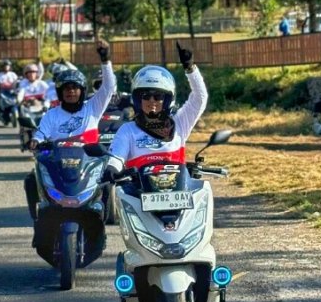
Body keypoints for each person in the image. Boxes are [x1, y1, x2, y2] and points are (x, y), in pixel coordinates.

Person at [24, 40, 115, 217]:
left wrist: (105, 60)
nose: (71, 91)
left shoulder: (93, 107)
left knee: (108, 178)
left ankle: (102, 215)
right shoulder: (52, 114)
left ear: (82, 90)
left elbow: (109, 87)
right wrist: (36, 141)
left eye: (75, 88)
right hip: (59, 161)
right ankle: (40, 219)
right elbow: (42, 133)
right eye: (66, 88)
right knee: (31, 179)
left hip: (89, 160)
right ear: (59, 92)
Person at [104, 42, 207, 179]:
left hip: (178, 192)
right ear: (138, 99)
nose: (152, 101)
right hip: (138, 195)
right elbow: (117, 157)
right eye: (146, 96)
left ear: (167, 100)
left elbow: (200, 98)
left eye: (158, 96)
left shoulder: (179, 123)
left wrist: (190, 68)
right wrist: (111, 168)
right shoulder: (127, 130)